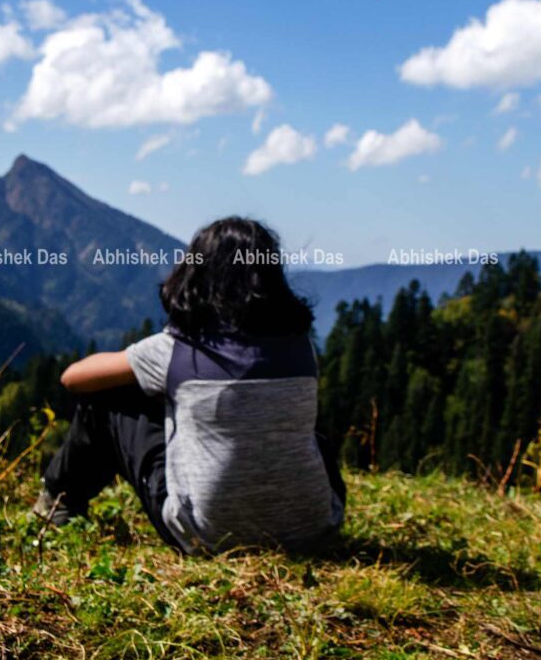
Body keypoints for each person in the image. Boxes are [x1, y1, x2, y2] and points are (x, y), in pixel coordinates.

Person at [34, 217, 345, 554]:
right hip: (315, 529)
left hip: (207, 535)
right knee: (311, 433)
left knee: (104, 398)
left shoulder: (177, 349)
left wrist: (147, 374)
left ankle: (58, 505)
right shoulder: (302, 347)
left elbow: (74, 379)